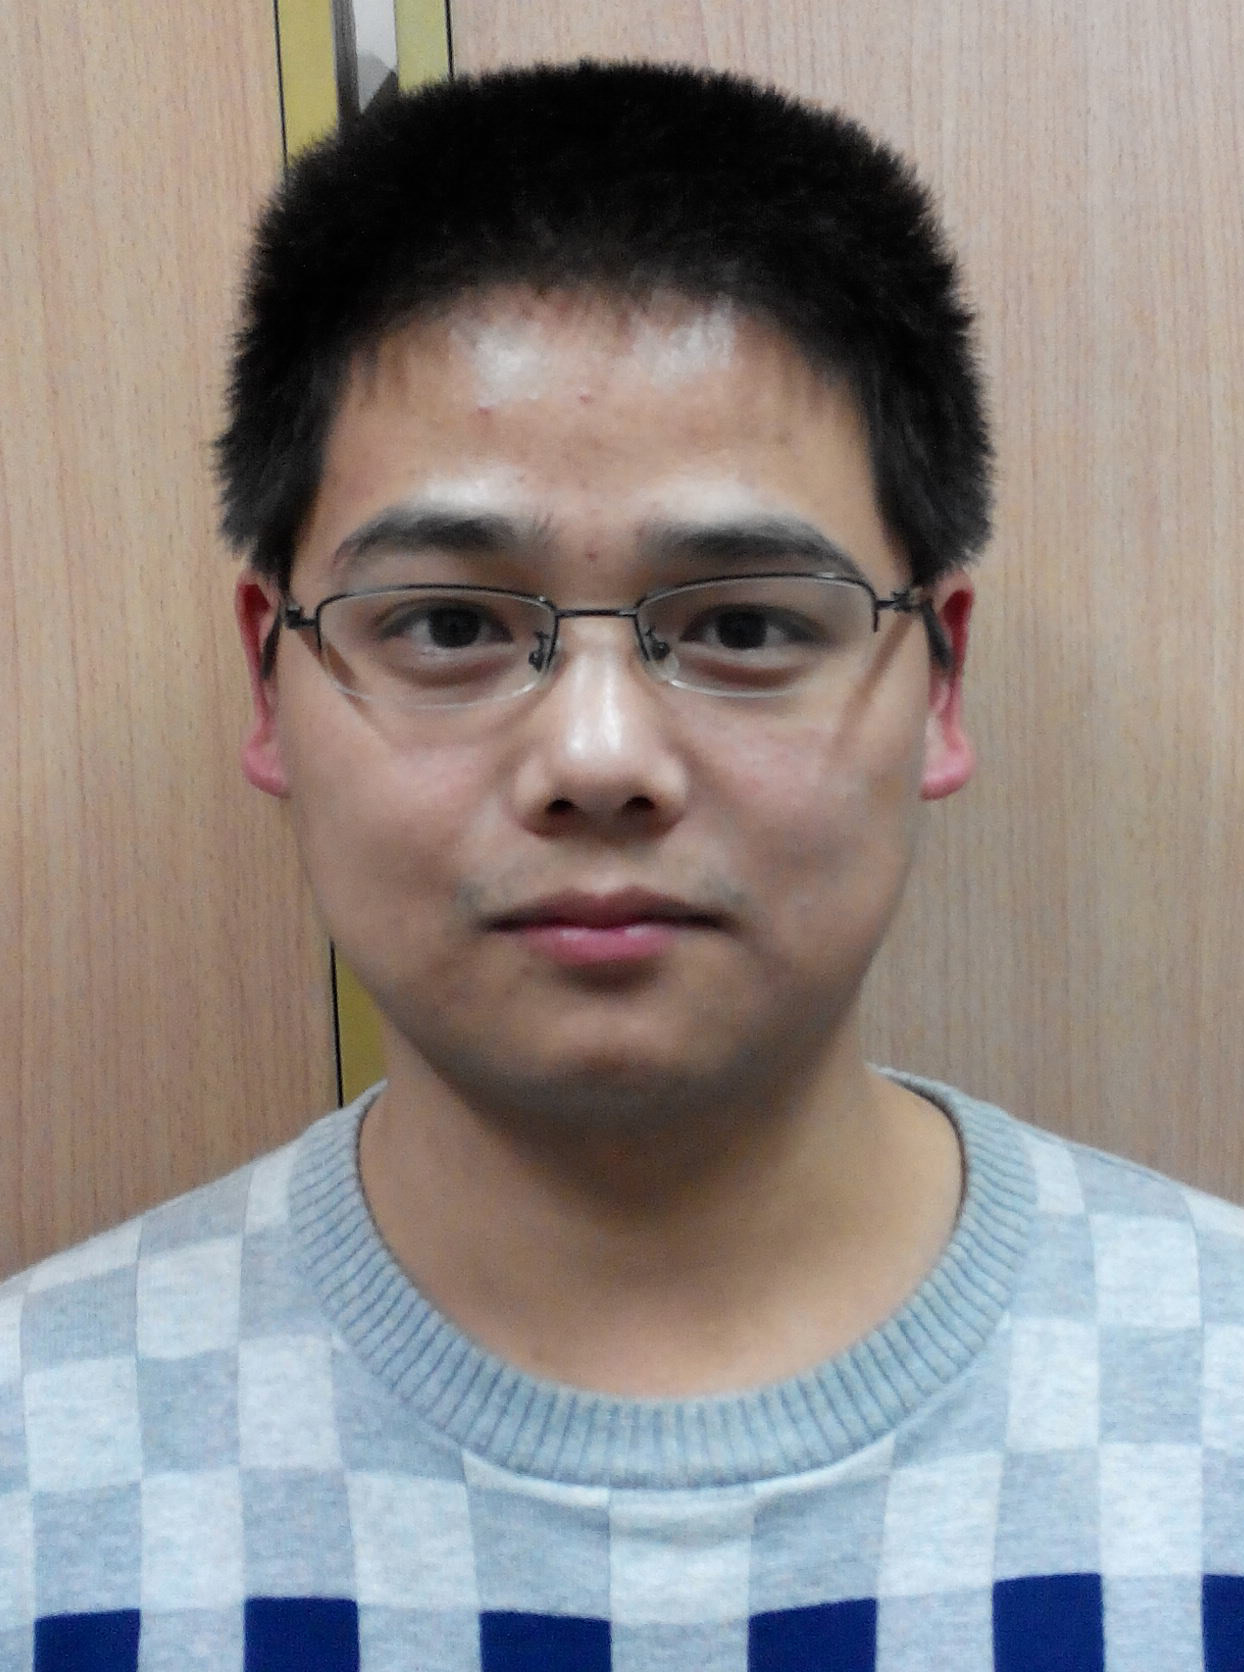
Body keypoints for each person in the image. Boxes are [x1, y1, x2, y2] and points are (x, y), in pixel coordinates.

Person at [3, 58, 1242, 1672]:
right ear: (269, 682)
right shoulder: (36, 1466)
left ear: (939, 685)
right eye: (448, 623)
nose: (596, 759)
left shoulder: (1214, 1407)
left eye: (746, 627)